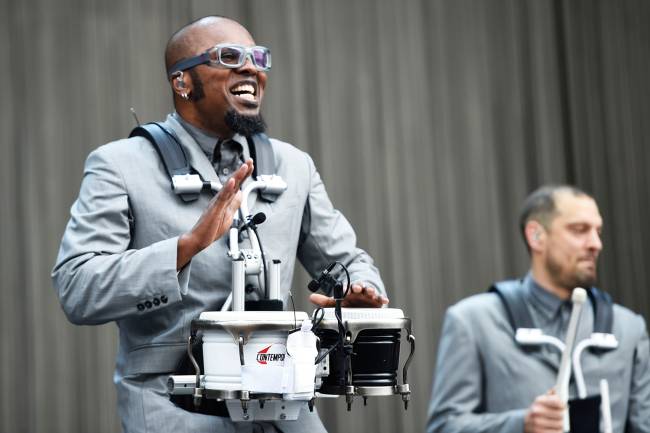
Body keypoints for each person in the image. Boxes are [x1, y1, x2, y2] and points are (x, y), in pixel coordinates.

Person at [52, 15, 388, 433]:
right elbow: (77, 287)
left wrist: (360, 292)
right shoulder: (119, 165)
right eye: (228, 57)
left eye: (257, 58)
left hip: (287, 409)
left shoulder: (294, 165)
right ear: (182, 83)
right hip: (174, 410)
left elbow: (346, 259)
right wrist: (185, 247)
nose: (251, 69)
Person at [426, 185, 650, 433]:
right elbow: (443, 427)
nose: (596, 244)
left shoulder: (628, 328)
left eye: (598, 231)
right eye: (579, 230)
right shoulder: (473, 322)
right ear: (536, 236)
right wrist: (520, 424)